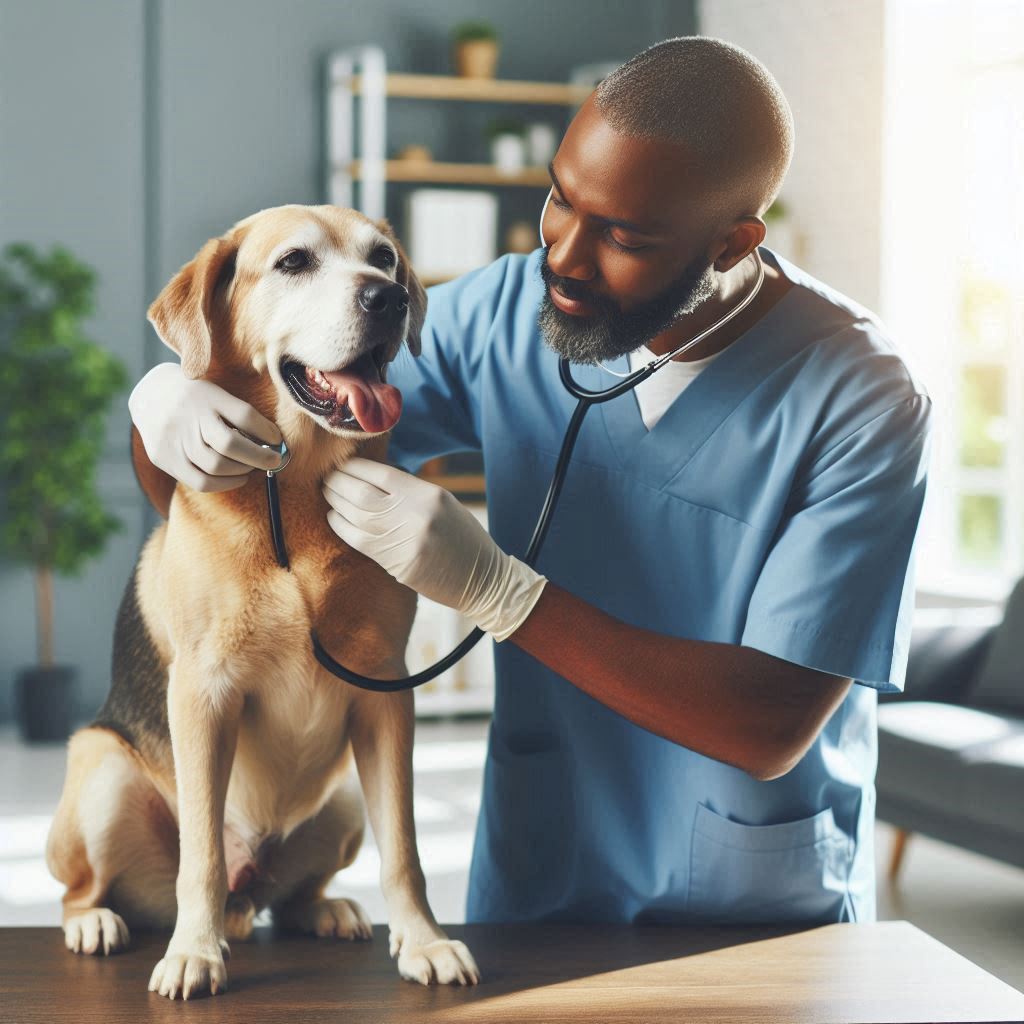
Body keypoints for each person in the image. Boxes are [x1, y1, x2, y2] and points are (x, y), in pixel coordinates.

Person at [129, 36, 931, 927]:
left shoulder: (862, 399)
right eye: (560, 197)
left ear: (731, 242)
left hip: (749, 902)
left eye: (623, 235)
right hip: (537, 873)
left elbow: (770, 725)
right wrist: (165, 406)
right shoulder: (509, 312)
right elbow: (239, 471)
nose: (565, 258)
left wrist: (498, 593)